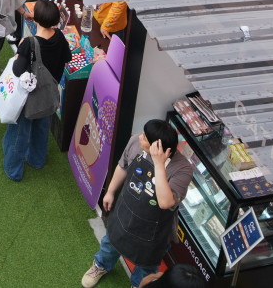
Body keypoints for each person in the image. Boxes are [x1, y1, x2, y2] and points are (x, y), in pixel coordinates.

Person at [81, 119, 195, 288]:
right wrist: (110, 191)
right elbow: (123, 166)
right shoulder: (135, 142)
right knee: (110, 243)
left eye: (145, 137)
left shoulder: (183, 169)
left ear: (159, 148)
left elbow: (165, 202)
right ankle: (100, 265)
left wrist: (158, 164)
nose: (140, 137)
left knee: (147, 266)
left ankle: (139, 285)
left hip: (154, 231)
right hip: (124, 212)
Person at [3, 0, 70, 181]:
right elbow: (67, 57)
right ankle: (37, 160)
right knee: (41, 128)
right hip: (48, 94)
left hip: (29, 97)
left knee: (19, 133)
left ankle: (13, 170)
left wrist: (19, 53)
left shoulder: (29, 43)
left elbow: (17, 70)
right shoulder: (59, 36)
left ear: (37, 19)